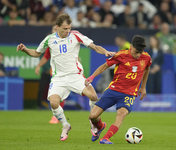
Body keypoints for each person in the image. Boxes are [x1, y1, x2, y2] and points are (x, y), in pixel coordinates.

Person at [17, 13, 115, 141]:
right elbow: (36, 53)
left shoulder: (75, 35)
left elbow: (94, 46)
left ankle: (94, 122)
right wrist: (25, 50)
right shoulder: (50, 39)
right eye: (65, 29)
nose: (68, 31)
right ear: (57, 27)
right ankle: (66, 125)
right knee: (53, 102)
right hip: (59, 78)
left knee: (93, 96)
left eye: (69, 28)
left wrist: (105, 52)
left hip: (75, 75)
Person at [85, 35, 152, 144]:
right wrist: (92, 77)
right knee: (93, 116)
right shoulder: (120, 55)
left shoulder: (146, 57)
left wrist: (143, 87)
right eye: (136, 52)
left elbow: (147, 68)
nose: (138, 55)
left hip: (129, 94)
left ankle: (105, 138)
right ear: (131, 47)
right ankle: (100, 126)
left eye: (140, 52)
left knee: (121, 114)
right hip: (113, 90)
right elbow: (104, 66)